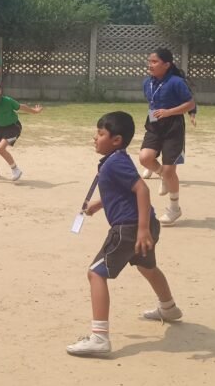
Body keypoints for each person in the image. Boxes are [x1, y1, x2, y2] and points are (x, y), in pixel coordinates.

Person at [66, 111, 182, 356]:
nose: (95, 138)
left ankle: (99, 338)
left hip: (129, 229)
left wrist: (141, 230)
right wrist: (100, 204)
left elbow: (142, 190)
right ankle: (168, 307)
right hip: (144, 224)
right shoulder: (116, 159)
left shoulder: (115, 162)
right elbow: (123, 191)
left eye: (100, 134)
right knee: (147, 267)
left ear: (116, 140)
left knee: (95, 274)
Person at [136, 49, 195, 226]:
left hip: (173, 127)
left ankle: (174, 208)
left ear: (167, 65)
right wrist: (156, 115)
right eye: (149, 61)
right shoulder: (147, 82)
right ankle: (162, 174)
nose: (150, 65)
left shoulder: (176, 82)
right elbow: (152, 102)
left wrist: (170, 112)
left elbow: (190, 103)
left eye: (154, 62)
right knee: (145, 158)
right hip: (154, 124)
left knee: (170, 171)